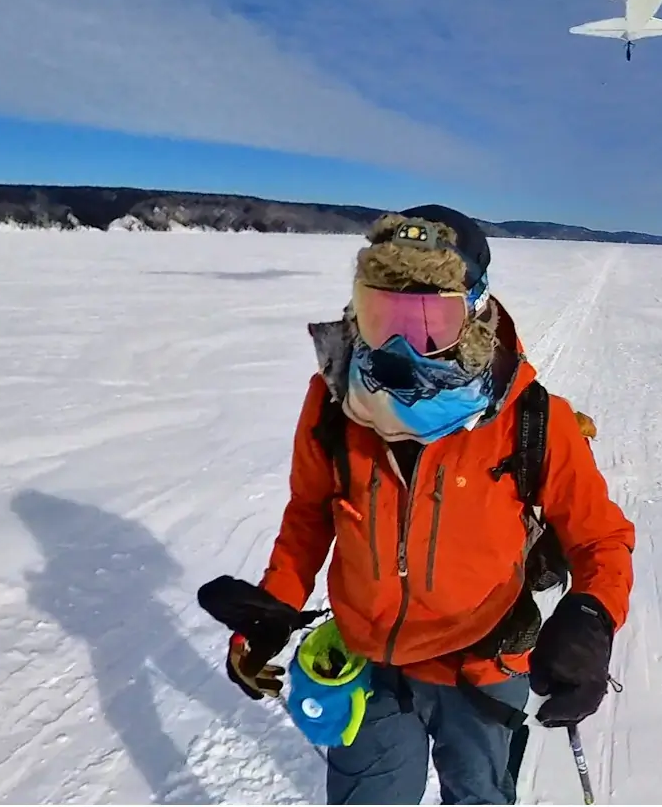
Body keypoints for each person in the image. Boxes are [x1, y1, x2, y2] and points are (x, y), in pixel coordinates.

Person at [197, 205, 636, 805]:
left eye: (429, 320)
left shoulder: (531, 419)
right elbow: (309, 514)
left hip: (480, 667)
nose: (400, 347)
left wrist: (591, 619)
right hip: (368, 666)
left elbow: (599, 539)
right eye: (383, 317)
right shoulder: (332, 403)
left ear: (475, 314)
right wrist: (275, 605)